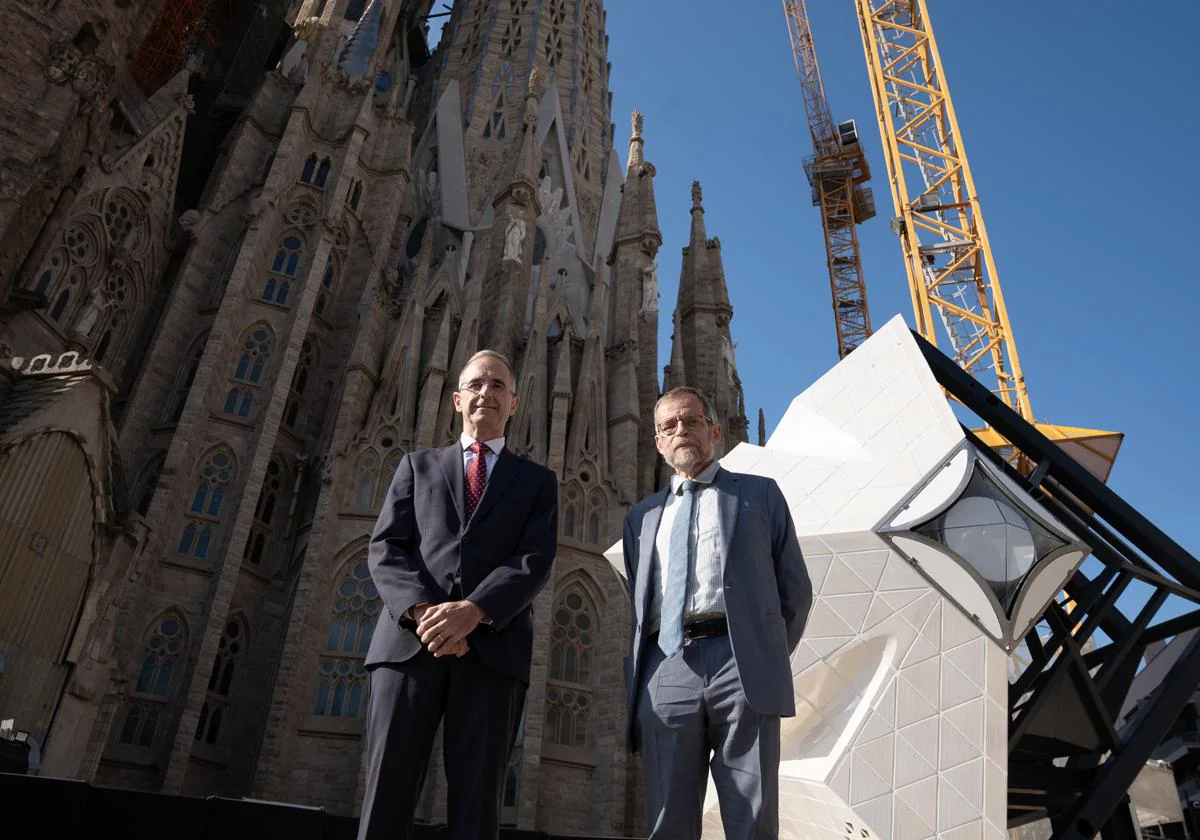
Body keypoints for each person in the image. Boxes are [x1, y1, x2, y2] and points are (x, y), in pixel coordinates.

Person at [359, 349, 558, 840]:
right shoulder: (416, 466)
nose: (485, 393)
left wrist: (474, 612)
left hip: (491, 652)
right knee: (386, 791)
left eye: (498, 386)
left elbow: (534, 560)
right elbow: (386, 547)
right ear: (456, 399)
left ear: (513, 403)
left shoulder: (537, 481)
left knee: (477, 802)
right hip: (409, 647)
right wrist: (428, 614)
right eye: (476, 384)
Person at [622, 386, 812, 839]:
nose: (681, 431)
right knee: (667, 819)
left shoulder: (760, 495)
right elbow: (640, 599)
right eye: (669, 425)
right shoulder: (641, 518)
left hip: (740, 664)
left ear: (715, 430)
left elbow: (795, 589)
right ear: (658, 441)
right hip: (666, 667)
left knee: (753, 819)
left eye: (691, 421)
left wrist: (761, 652)